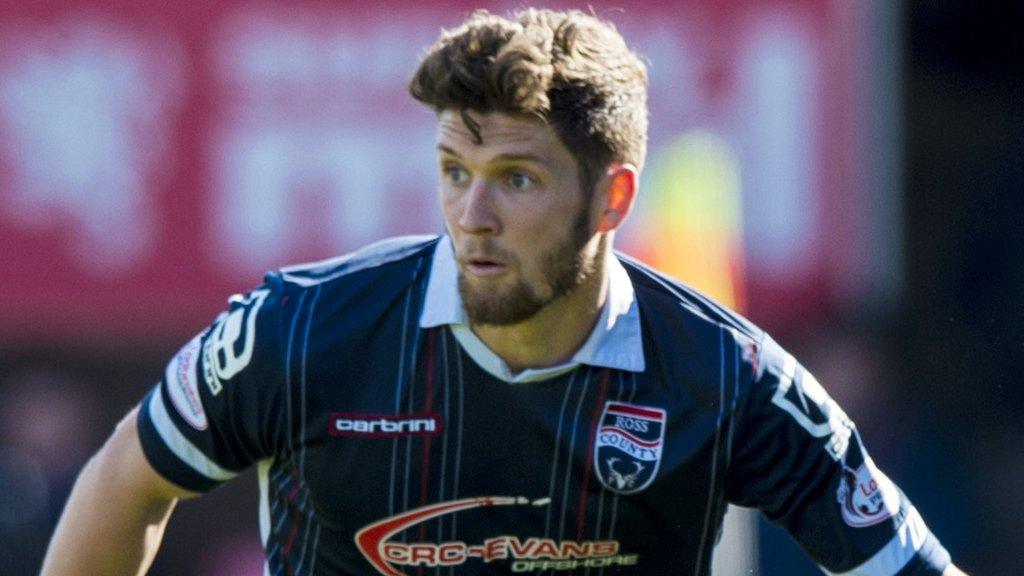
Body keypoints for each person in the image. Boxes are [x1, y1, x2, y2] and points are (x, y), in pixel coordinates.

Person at [42, 8, 967, 576]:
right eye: (453, 169)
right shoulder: (302, 330)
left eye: (517, 179)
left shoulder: (726, 376)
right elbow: (127, 481)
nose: (471, 214)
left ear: (612, 196)